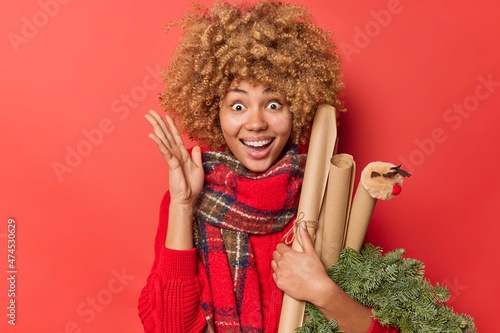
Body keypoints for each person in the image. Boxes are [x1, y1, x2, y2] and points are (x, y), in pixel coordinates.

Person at [138, 1, 398, 332]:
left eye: (273, 104)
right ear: (213, 112)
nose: (256, 123)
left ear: (298, 109)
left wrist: (323, 292)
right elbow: (168, 328)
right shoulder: (186, 201)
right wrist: (183, 204)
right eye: (237, 105)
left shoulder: (323, 202)